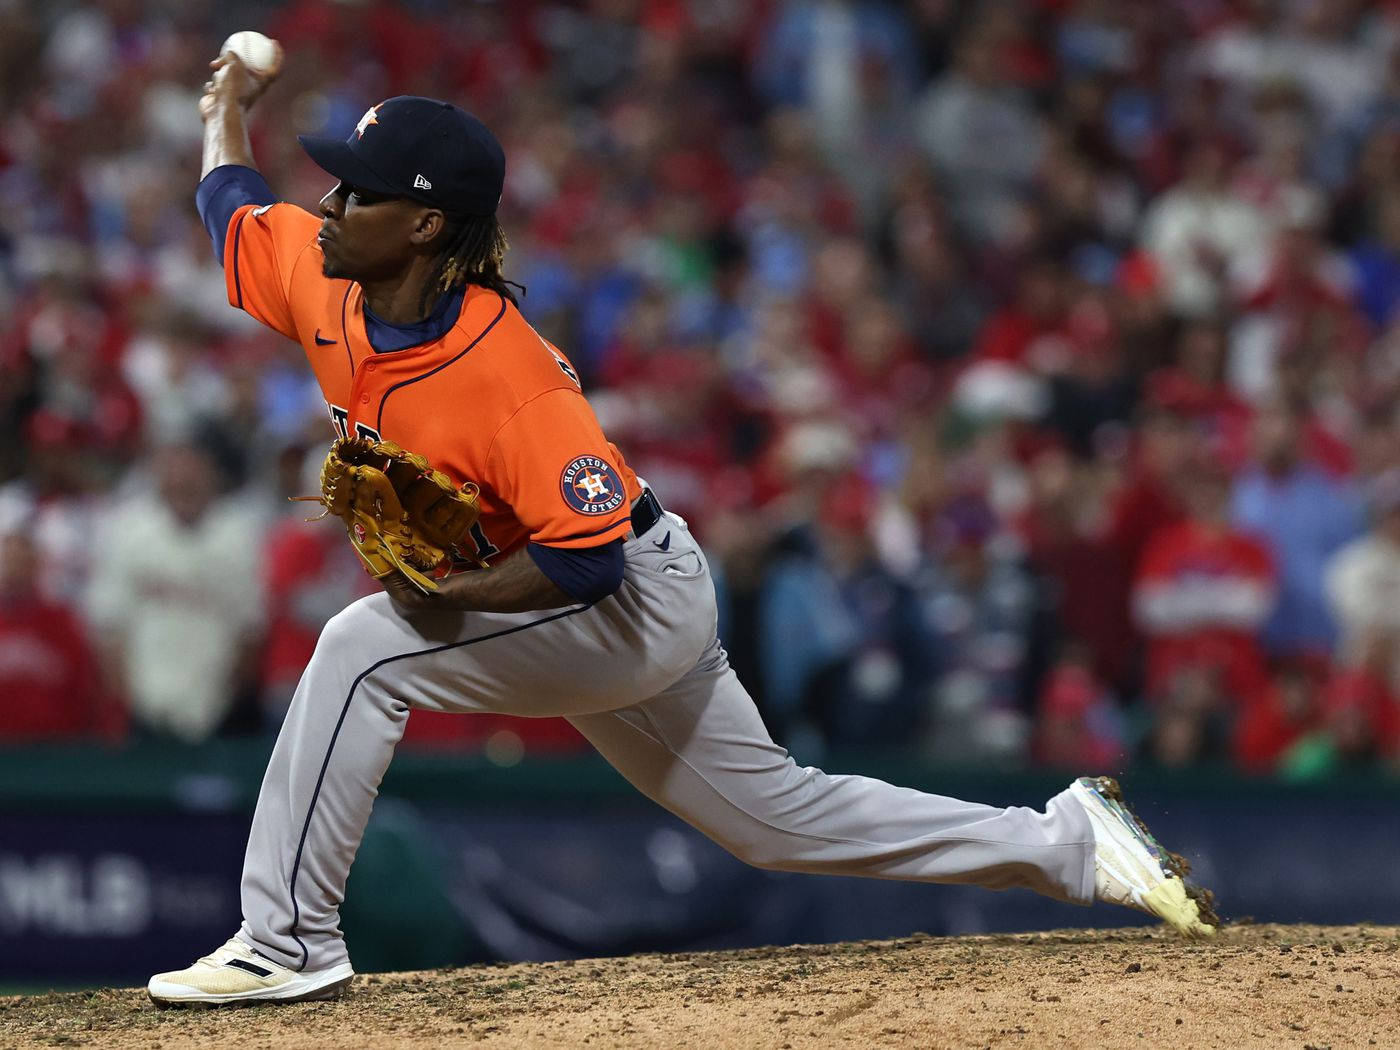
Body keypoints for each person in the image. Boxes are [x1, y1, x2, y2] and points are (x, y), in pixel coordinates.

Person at [147, 50, 1214, 1007]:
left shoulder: (503, 374)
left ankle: (286, 940)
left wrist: (453, 597)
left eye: (357, 192)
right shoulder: (327, 276)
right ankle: (1071, 846)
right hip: (583, 595)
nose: (326, 205)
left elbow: (584, 560)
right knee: (777, 822)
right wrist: (228, 106)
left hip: (623, 597)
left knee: (364, 649)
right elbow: (233, 206)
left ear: (424, 225)